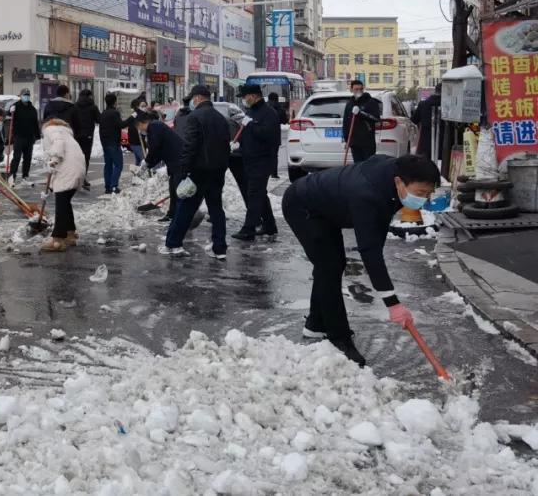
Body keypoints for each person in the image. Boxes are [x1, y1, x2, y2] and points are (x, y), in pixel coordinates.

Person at [282, 154, 439, 367]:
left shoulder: (395, 174)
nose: (423, 199)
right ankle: (339, 338)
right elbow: (370, 251)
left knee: (331, 264)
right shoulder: (368, 195)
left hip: (329, 209)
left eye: (428, 193)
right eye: (420, 193)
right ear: (399, 181)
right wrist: (393, 304)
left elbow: (376, 237)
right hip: (303, 205)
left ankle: (315, 324)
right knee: (329, 265)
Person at [160, 85, 231, 259]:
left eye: (192, 98)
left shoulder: (194, 117)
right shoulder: (221, 119)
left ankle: (173, 244)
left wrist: (184, 170)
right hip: (217, 170)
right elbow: (225, 146)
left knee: (185, 208)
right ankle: (220, 248)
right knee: (216, 209)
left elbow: (189, 146)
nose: (192, 101)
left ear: (198, 98)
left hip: (198, 171)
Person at [233, 83, 280, 241]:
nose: (245, 100)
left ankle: (249, 229)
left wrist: (251, 125)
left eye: (246, 97)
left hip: (263, 160)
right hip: (250, 159)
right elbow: (248, 134)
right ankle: (269, 225)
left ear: (253, 96)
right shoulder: (251, 111)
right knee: (259, 193)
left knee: (254, 194)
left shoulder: (269, 113)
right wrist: (238, 144)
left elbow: (267, 135)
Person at [39, 118, 87, 252]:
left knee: (61, 202)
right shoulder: (66, 133)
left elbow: (58, 145)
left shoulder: (51, 130)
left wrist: (53, 160)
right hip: (77, 168)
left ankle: (58, 239)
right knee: (65, 202)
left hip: (67, 170)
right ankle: (70, 234)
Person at [136, 111, 184, 221]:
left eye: (138, 126)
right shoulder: (155, 127)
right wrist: (148, 164)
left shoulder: (154, 127)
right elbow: (159, 152)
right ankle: (171, 215)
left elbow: (155, 148)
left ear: (142, 123)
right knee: (173, 190)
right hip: (174, 162)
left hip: (179, 162)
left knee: (177, 191)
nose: (139, 130)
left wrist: (147, 161)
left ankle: (181, 217)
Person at [99, 92, 132, 194]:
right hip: (113, 143)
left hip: (105, 142)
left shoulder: (103, 113)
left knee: (108, 165)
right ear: (115, 102)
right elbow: (121, 125)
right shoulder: (115, 113)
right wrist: (132, 117)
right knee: (118, 165)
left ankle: (107, 187)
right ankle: (114, 186)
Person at [342, 79, 381, 164]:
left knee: (368, 165)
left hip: (367, 141)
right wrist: (346, 139)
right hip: (354, 142)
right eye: (356, 89)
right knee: (357, 165)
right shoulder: (349, 104)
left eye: (360, 89)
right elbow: (346, 122)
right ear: (351, 90)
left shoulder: (371, 102)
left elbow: (376, 118)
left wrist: (361, 113)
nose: (359, 91)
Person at [7, 88, 41, 184]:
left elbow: (35, 123)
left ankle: (25, 176)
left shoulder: (32, 109)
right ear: (20, 96)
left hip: (30, 137)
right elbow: (8, 114)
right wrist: (10, 111)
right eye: (24, 95)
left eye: (27, 95)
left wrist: (37, 136)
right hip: (19, 136)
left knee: (28, 158)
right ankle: (12, 176)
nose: (26, 97)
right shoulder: (15, 106)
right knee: (16, 157)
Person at [70, 88, 100, 190]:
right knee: (85, 158)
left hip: (76, 136)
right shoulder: (93, 107)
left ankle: (75, 178)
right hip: (88, 136)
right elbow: (98, 119)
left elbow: (71, 120)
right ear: (89, 96)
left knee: (76, 157)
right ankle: (83, 178)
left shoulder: (75, 106)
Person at [410, 84, 442, 159]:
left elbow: (414, 120)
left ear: (435, 90)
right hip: (443, 143)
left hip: (425, 142)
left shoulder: (423, 104)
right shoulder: (448, 105)